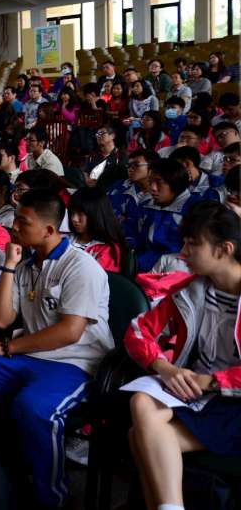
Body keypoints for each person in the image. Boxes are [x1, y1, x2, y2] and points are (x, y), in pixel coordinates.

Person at [0, 188, 114, 509]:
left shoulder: (80, 266)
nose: (14, 227)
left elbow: (70, 332)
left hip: (74, 364)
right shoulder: (26, 264)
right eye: (15, 218)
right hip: (27, 356)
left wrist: (10, 346)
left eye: (23, 222)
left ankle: (50, 497)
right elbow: (1, 319)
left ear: (49, 229)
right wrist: (8, 266)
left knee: (34, 407)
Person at [124, 202, 241, 510]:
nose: (183, 253)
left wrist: (210, 382)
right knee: (141, 402)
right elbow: (137, 330)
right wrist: (164, 367)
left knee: (140, 436)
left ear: (224, 249)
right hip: (198, 391)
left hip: (231, 399)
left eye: (193, 244)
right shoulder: (191, 291)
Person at [126, 158, 205, 272]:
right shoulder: (146, 205)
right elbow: (131, 231)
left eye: (159, 182)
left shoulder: (196, 209)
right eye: (150, 182)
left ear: (176, 183)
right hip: (142, 264)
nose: (152, 188)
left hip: (178, 269)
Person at [67, 186, 127, 273]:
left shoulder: (108, 250)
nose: (74, 219)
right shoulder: (65, 238)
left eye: (80, 214)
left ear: (96, 215)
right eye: (72, 213)